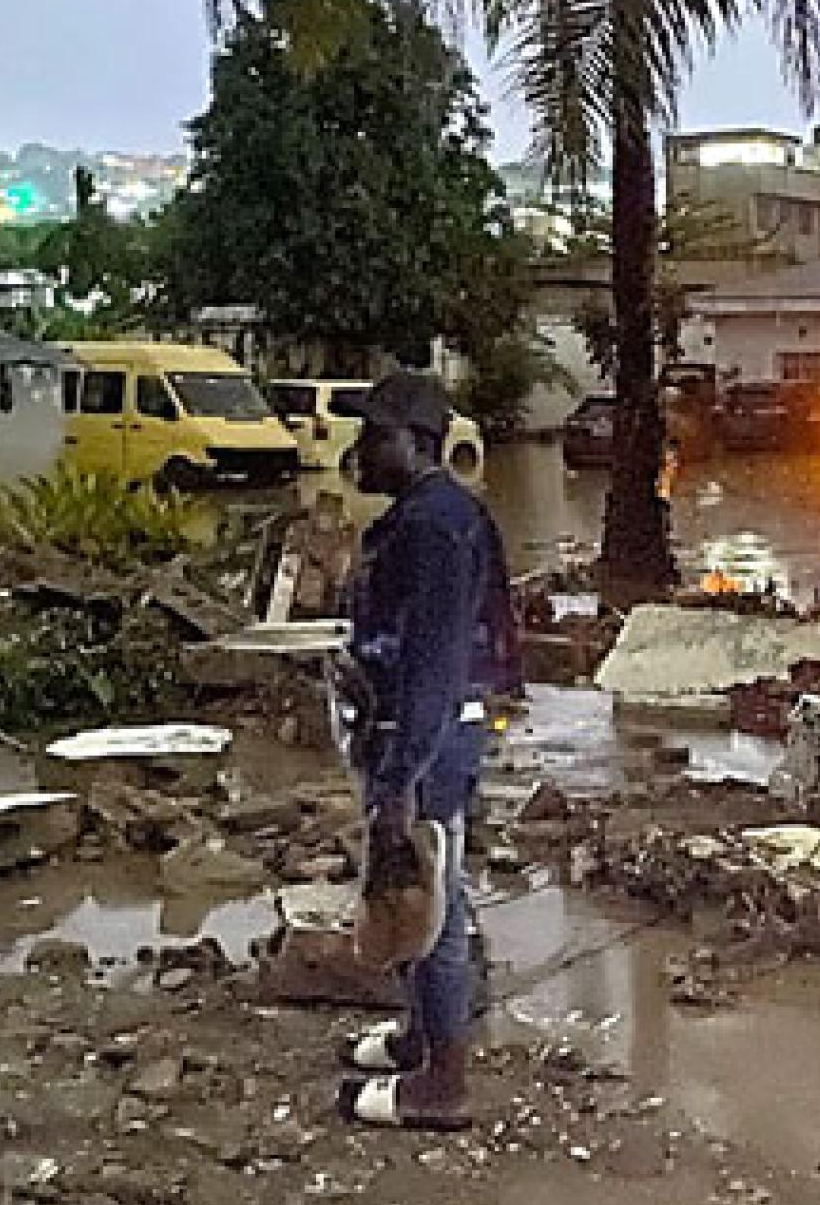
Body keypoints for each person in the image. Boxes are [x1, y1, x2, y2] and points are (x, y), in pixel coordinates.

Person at [333, 370, 518, 1132]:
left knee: (430, 897)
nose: (359, 449)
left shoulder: (436, 527)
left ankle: (444, 1082)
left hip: (429, 740)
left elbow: (437, 664)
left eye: (373, 434)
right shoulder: (423, 515)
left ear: (414, 441)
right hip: (419, 730)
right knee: (413, 886)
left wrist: (399, 779)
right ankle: (422, 1036)